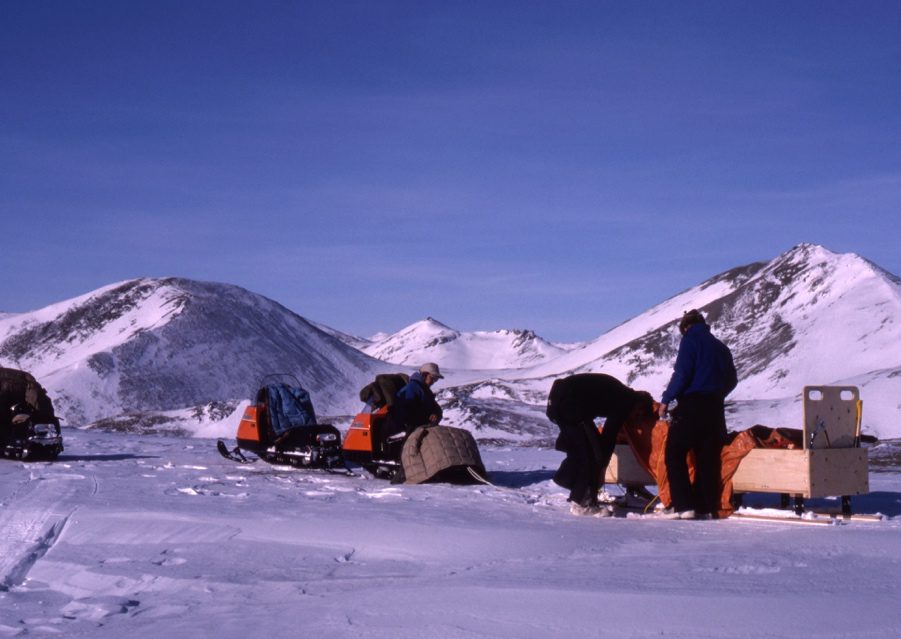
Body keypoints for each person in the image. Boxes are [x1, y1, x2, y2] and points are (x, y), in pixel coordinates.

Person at [658, 309, 738, 520]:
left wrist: (666, 400)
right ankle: (704, 507)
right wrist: (718, 395)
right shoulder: (721, 347)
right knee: (707, 458)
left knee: (674, 452)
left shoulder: (690, 341)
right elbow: (732, 380)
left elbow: (682, 374)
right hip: (715, 409)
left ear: (685, 328)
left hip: (692, 405)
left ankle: (684, 506)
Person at [546, 373, 655, 517]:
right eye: (639, 413)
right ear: (639, 405)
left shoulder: (621, 392)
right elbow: (609, 434)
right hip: (572, 405)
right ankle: (582, 503)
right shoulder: (626, 401)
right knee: (591, 455)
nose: (636, 417)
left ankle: (568, 481)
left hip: (557, 401)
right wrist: (603, 461)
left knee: (580, 451)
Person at [392, 362, 445, 436]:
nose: (433, 382)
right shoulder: (412, 388)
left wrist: (436, 414)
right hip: (410, 431)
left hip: (424, 428)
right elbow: (404, 414)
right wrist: (427, 418)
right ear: (425, 375)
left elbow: (436, 409)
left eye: (436, 379)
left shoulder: (426, 391)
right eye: (432, 378)